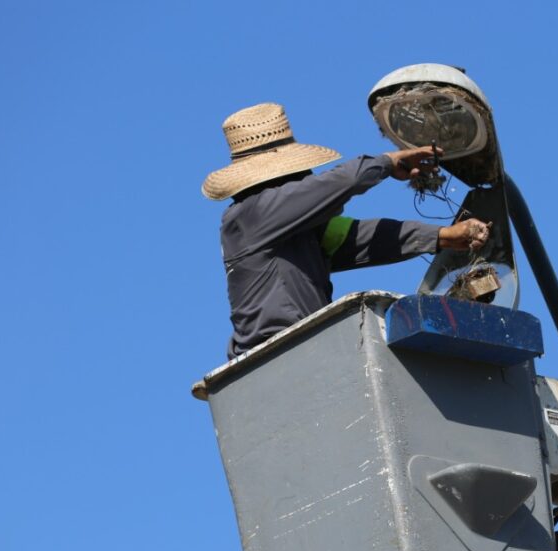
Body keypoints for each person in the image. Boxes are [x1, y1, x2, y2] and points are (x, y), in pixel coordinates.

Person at [202, 102, 490, 359]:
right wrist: (387, 163)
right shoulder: (249, 215)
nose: (308, 177)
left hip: (308, 351)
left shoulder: (299, 231)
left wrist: (442, 237)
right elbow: (334, 186)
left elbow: (364, 239)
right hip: (273, 356)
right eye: (301, 175)